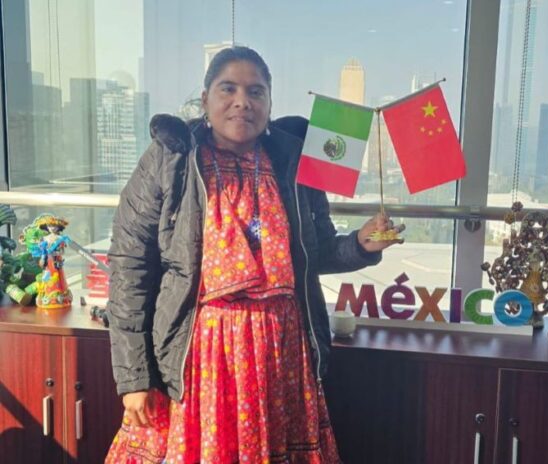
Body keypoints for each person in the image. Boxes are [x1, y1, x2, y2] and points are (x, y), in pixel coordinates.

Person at [105, 46, 404, 463]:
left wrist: (360, 245)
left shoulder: (292, 160)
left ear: (269, 103)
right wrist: (134, 377)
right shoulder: (171, 159)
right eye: (228, 88)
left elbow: (313, 252)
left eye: (256, 91)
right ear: (206, 97)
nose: (242, 101)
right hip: (201, 356)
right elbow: (130, 268)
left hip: (283, 353)